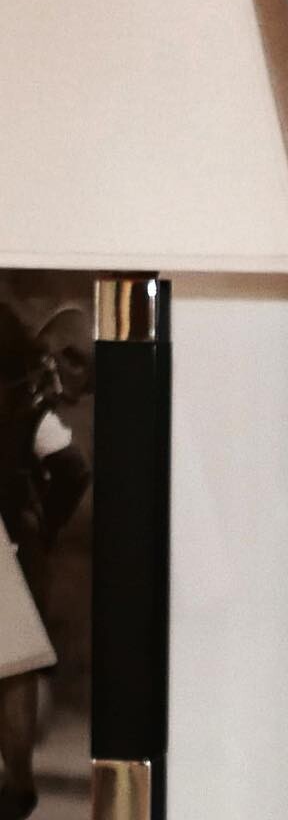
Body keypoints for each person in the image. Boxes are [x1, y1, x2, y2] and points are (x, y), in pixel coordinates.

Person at [0, 304, 93, 820]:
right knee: (17, 667)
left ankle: (17, 779)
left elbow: (73, 469)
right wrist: (44, 524)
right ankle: (17, 778)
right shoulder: (29, 406)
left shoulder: (27, 403)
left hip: (15, 538)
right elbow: (72, 468)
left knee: (16, 666)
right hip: (16, 538)